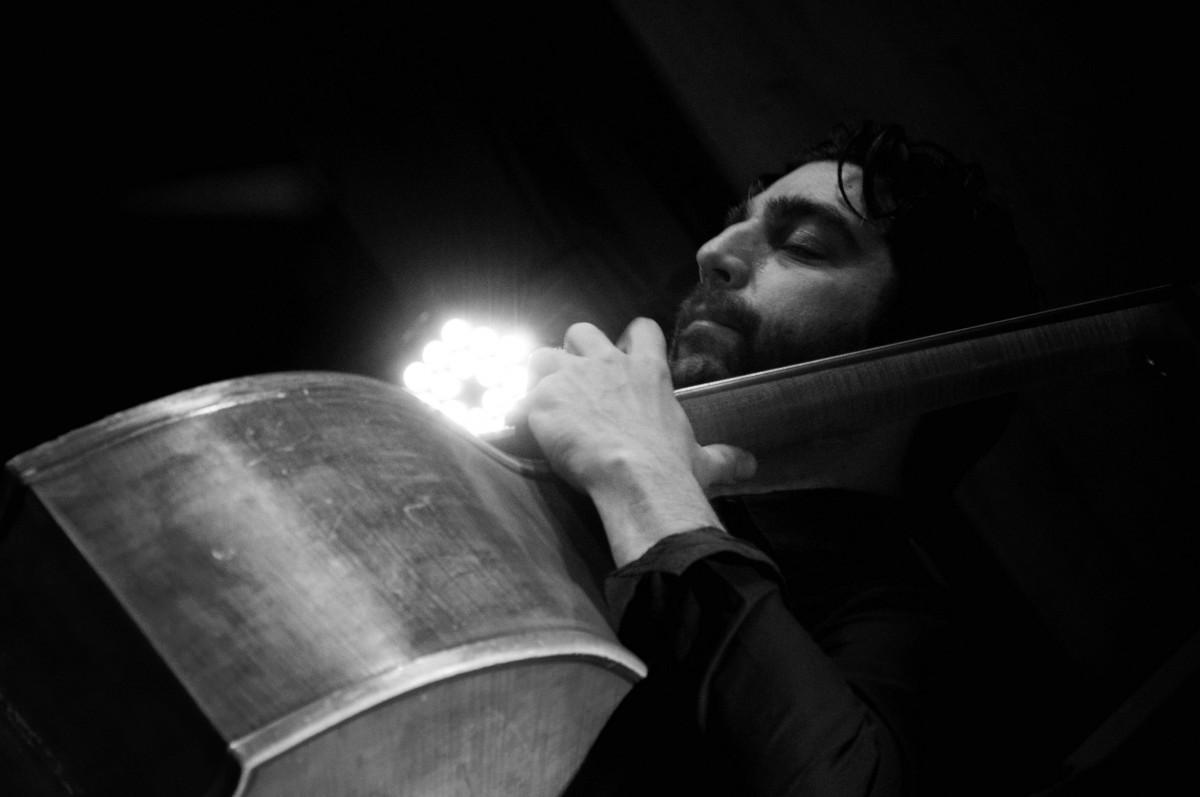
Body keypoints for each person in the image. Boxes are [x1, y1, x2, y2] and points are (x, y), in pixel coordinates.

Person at [509, 121, 1038, 796]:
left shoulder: (912, 640)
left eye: (803, 246)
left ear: (917, 359)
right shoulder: (569, 494)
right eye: (735, 223)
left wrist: (644, 478)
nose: (713, 250)